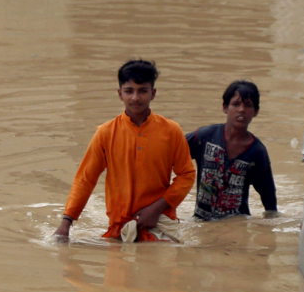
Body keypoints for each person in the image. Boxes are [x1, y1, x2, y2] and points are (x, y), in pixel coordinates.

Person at [54, 60, 196, 241]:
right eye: (129, 91)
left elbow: (187, 175)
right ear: (120, 94)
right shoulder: (105, 133)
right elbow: (86, 179)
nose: (135, 98)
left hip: (160, 228)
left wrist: (156, 208)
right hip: (118, 231)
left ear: (153, 94)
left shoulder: (171, 131)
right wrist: (66, 223)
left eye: (142, 91)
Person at [186, 80, 277, 220]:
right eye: (236, 104)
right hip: (201, 221)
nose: (241, 110)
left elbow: (268, 195)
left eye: (248, 105)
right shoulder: (204, 137)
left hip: (238, 224)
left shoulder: (257, 152)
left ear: (256, 112)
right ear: (225, 108)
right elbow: (170, 154)